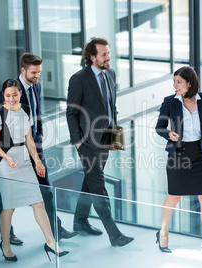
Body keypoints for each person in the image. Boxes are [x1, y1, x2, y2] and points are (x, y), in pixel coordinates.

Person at [0, 53, 78, 244]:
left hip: (34, 144)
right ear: (23, 70)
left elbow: (36, 112)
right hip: (15, 149)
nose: (37, 76)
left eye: (39, 72)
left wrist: (39, 134)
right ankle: (6, 235)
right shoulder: (12, 91)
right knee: (7, 195)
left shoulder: (36, 86)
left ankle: (55, 230)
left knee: (46, 190)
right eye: (34, 72)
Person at [0, 79, 69, 261]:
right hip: (6, 163)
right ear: (3, 95)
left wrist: (38, 163)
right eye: (8, 95)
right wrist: (8, 158)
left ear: (20, 94)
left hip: (25, 160)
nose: (11, 99)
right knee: (9, 207)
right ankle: (5, 244)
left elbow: (29, 140)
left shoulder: (25, 109)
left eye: (15, 95)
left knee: (38, 203)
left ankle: (50, 243)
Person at [66, 37, 134, 247]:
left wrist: (115, 137)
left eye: (108, 53)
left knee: (91, 181)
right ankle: (114, 234)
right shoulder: (79, 79)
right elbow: (71, 113)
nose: (108, 57)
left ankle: (80, 220)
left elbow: (112, 108)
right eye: (103, 54)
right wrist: (77, 142)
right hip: (86, 142)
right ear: (92, 57)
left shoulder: (110, 74)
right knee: (99, 186)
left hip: (105, 139)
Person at [155, 66, 202, 258]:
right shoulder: (170, 102)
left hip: (200, 155)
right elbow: (159, 127)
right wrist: (169, 134)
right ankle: (163, 233)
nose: (174, 85)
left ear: (189, 83)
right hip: (178, 154)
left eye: (178, 82)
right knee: (174, 196)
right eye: (174, 81)